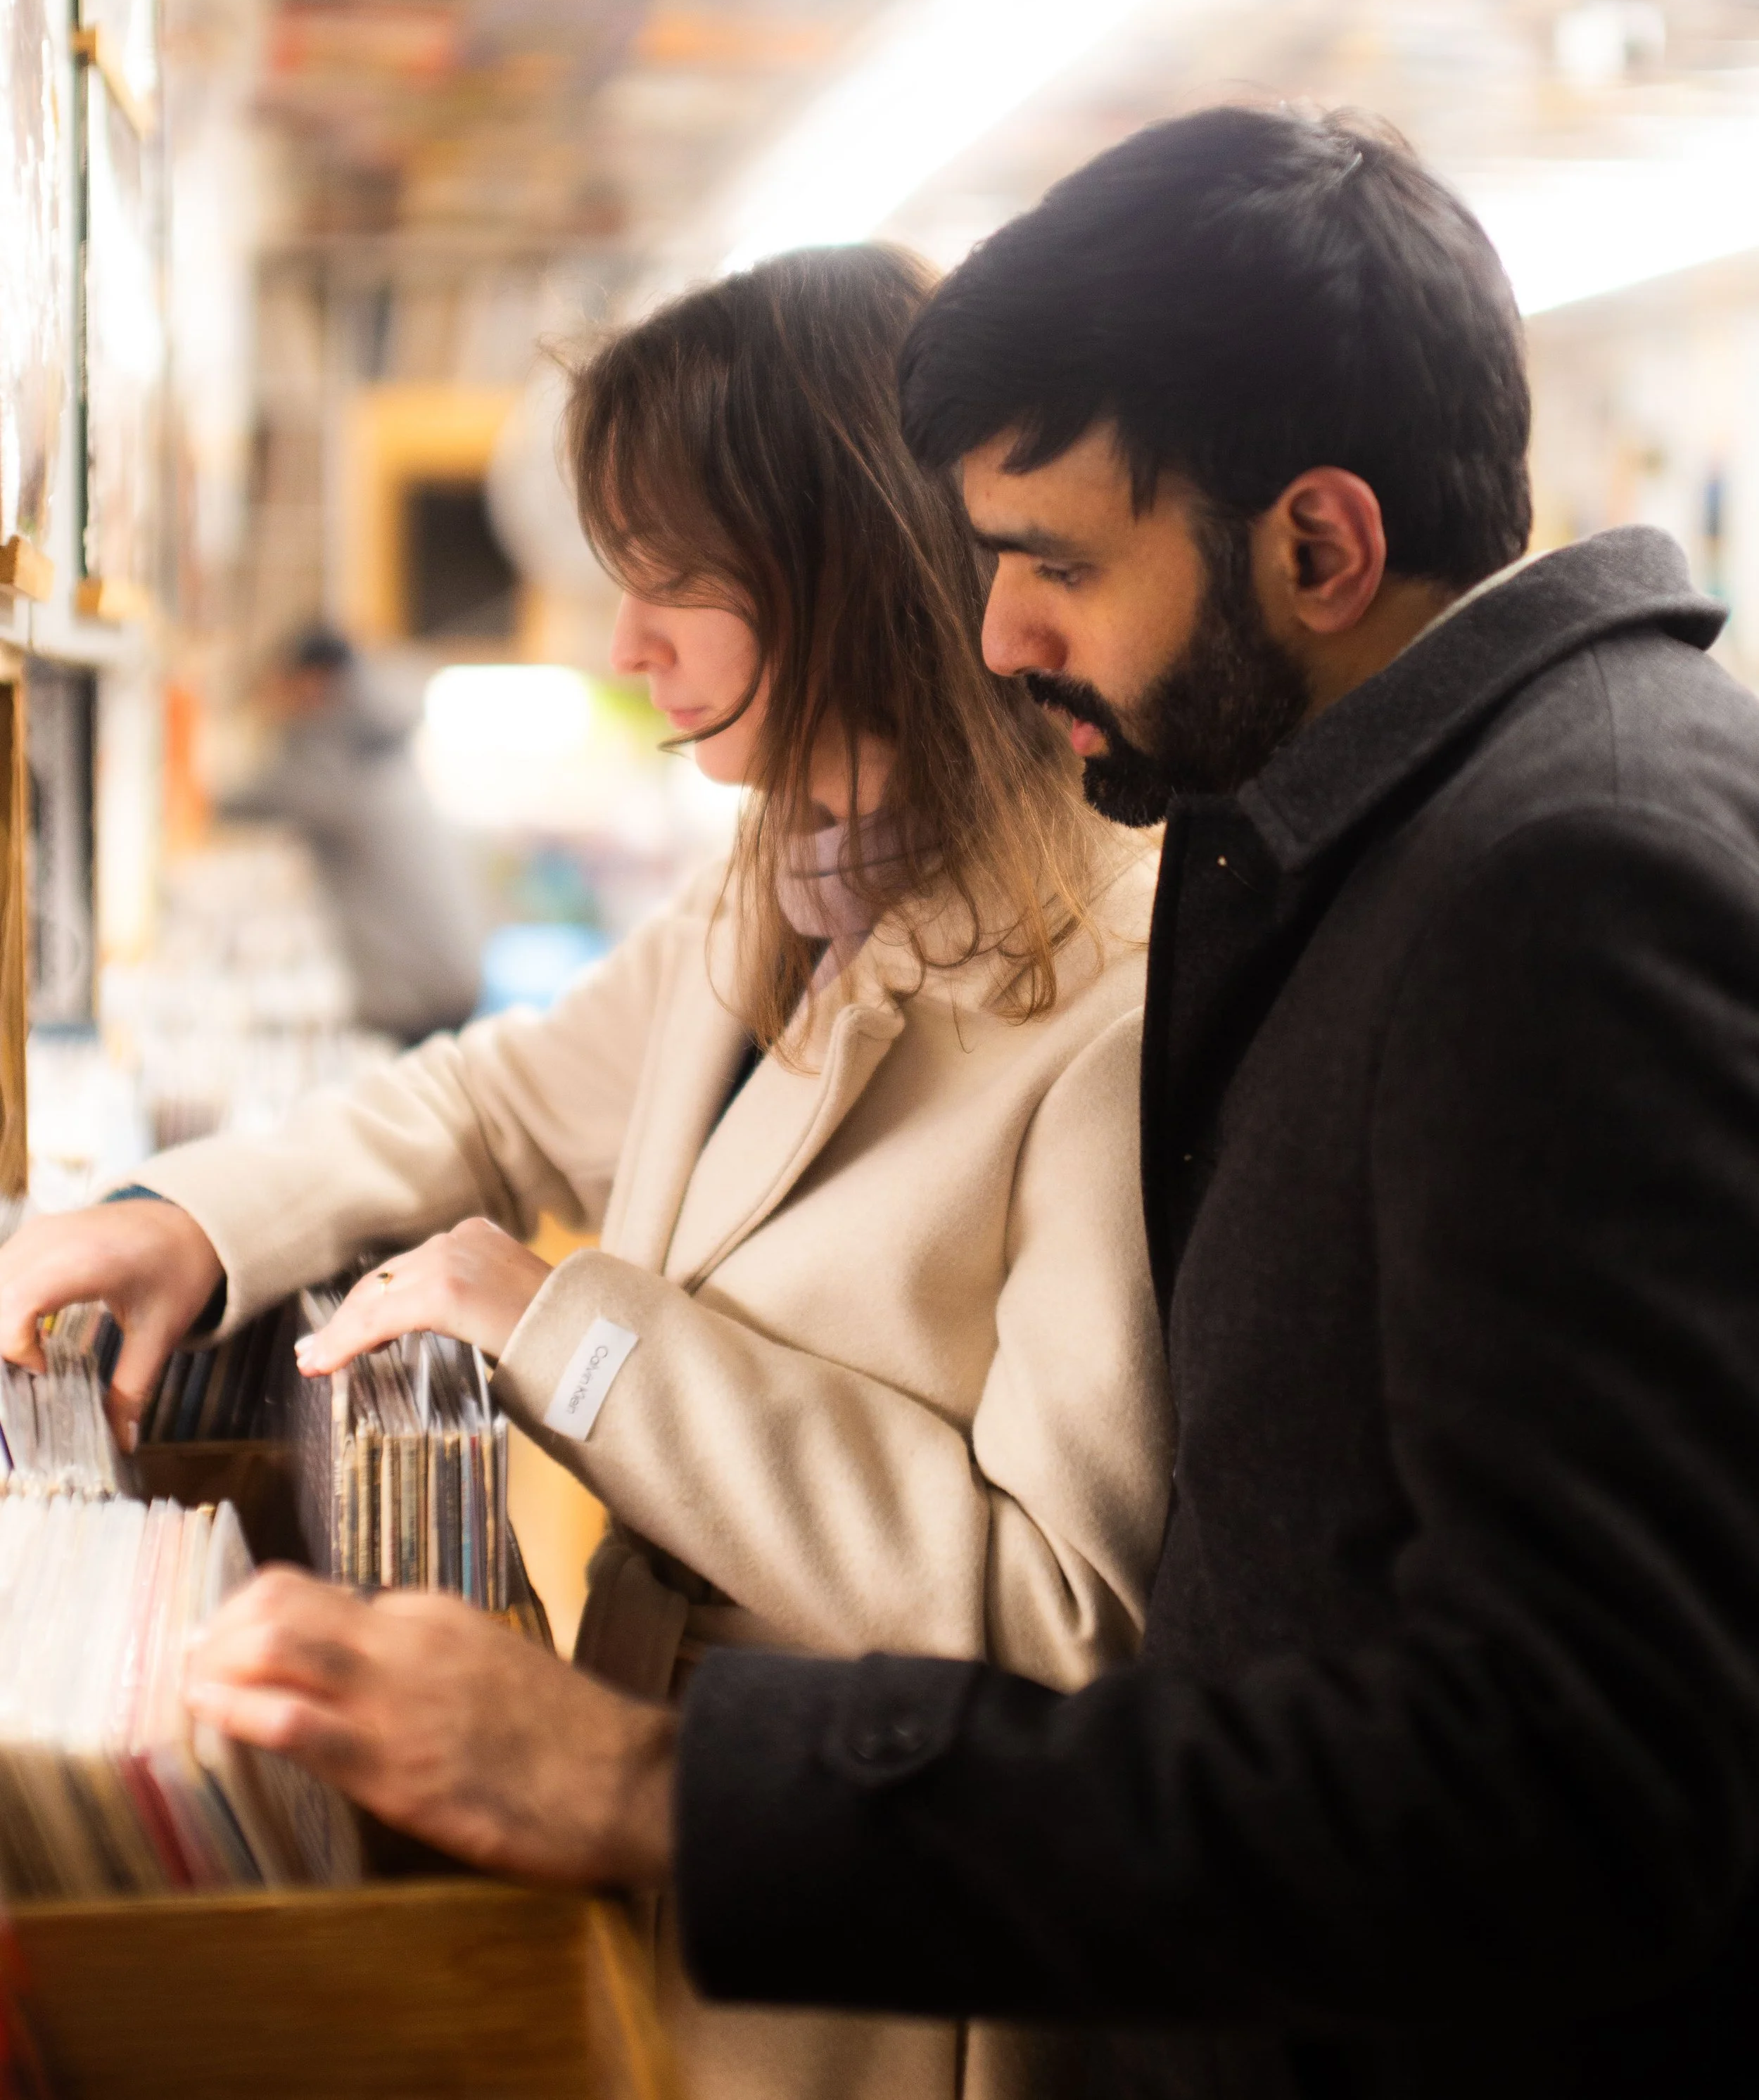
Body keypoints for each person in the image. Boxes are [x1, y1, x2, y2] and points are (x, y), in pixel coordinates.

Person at [113, 102, 1759, 2100]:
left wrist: (648, 1765)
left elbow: (1538, 1765)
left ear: (1314, 543)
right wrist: (180, 1217)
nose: (997, 636)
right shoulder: (1350, 846)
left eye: (1048, 561)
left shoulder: (1537, 876)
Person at [0, 244, 1169, 2100]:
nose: (623, 647)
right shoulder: (786, 868)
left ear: (842, 577)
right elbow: (483, 1097)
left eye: (668, 587)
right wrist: (177, 1220)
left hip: (864, 1972)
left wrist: (578, 1332)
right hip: (649, 1858)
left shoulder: (1109, 995)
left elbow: (1057, 1624)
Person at [226, 625, 481, 1045]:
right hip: (443, 973)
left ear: (313, 681)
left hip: (417, 993)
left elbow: (251, 801)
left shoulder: (339, 754)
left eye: (280, 682)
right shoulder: (371, 736)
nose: (273, 698)